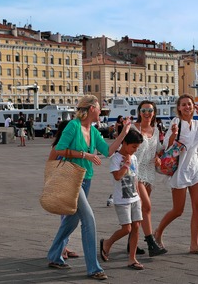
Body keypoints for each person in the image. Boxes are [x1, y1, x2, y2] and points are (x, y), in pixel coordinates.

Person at [46, 95, 131, 280]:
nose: (101, 110)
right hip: (71, 178)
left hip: (86, 179)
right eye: (99, 107)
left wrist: (124, 133)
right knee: (88, 219)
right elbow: (59, 149)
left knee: (71, 221)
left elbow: (107, 151)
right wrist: (85, 154)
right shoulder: (73, 126)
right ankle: (93, 267)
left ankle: (54, 255)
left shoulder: (93, 131)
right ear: (91, 108)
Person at [154, 94, 198, 256]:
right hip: (180, 169)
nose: (187, 107)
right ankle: (158, 232)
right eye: (183, 105)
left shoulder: (197, 124)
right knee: (178, 210)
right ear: (179, 108)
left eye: (189, 104)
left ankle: (194, 244)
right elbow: (167, 145)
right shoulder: (176, 123)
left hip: (195, 168)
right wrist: (174, 134)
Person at [100, 129, 145, 270]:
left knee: (136, 227)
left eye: (137, 148)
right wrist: (126, 164)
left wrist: (139, 196)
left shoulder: (134, 158)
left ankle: (132, 258)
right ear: (124, 143)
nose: (134, 150)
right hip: (122, 200)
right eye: (133, 147)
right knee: (126, 229)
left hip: (134, 198)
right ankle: (107, 243)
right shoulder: (115, 159)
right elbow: (118, 176)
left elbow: (135, 178)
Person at [130, 101, 167, 257]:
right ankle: (151, 243)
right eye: (144, 110)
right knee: (147, 206)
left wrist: (159, 157)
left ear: (154, 112)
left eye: (150, 110)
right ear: (139, 112)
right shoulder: (133, 128)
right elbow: (125, 148)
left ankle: (131, 243)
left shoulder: (156, 130)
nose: (147, 113)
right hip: (135, 172)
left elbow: (158, 149)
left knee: (139, 210)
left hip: (149, 172)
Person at [48, 120, 78, 261]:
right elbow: (50, 164)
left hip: (74, 184)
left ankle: (64, 247)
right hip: (62, 184)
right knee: (66, 219)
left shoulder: (74, 146)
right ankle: (61, 249)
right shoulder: (57, 148)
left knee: (70, 219)